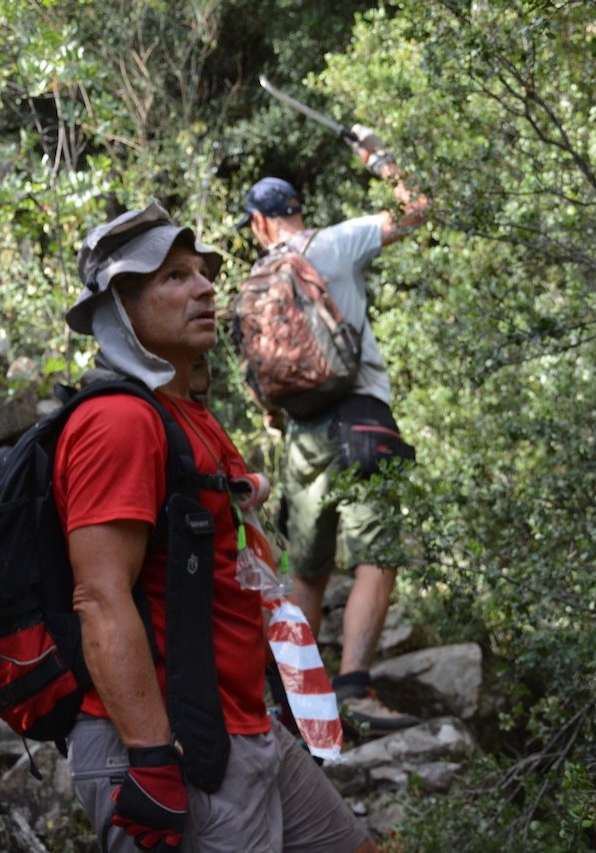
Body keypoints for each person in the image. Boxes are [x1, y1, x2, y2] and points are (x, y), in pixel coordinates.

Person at [56, 200, 375, 852]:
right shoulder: (117, 423)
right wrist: (150, 756)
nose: (204, 286)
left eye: (202, 272)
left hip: (244, 723)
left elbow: (235, 501)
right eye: (174, 277)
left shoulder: (183, 410)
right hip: (174, 740)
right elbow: (99, 596)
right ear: (121, 305)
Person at [237, 125, 430, 733]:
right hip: (364, 416)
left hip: (302, 438)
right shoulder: (337, 244)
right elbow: (418, 208)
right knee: (378, 553)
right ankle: (354, 689)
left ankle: (295, 701)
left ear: (259, 224)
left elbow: (260, 383)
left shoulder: (254, 282)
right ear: (294, 212)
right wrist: (379, 157)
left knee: (309, 570)